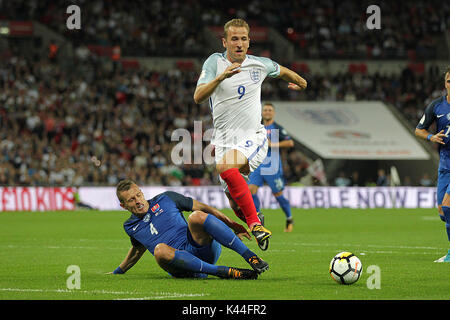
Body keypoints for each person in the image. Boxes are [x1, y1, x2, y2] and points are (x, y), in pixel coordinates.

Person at [193, 18, 307, 250]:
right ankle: (257, 220)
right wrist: (221, 77)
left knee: (225, 168)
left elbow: (282, 71)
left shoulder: (259, 64)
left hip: (253, 137)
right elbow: (198, 97)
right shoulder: (215, 62)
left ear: (248, 42)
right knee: (235, 204)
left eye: (243, 39)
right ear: (224, 41)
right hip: (224, 141)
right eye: (234, 39)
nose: (239, 43)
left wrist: (301, 83)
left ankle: (255, 224)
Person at [108, 179, 269, 279]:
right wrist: (118, 271)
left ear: (141, 192)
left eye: (138, 195)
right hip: (180, 266)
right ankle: (223, 272)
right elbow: (137, 250)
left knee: (196, 216)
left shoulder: (166, 198)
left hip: (201, 247)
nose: (138, 201)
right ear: (123, 205)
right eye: (131, 199)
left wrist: (233, 224)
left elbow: (205, 208)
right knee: (159, 250)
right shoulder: (130, 226)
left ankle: (251, 257)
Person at [415, 66, 450, 262]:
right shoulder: (436, 106)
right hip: (444, 164)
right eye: (448, 81)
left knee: (448, 206)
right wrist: (431, 136)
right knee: (442, 212)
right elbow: (418, 130)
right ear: (444, 84)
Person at [248, 102, 295, 233]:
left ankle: (289, 218)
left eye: (270, 110)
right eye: (265, 110)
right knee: (251, 190)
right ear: (262, 112)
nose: (267, 112)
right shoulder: (257, 127)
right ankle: (257, 221)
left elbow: (290, 142)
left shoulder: (277, 128)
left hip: (272, 165)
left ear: (273, 113)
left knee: (278, 194)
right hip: (257, 164)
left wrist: (273, 144)